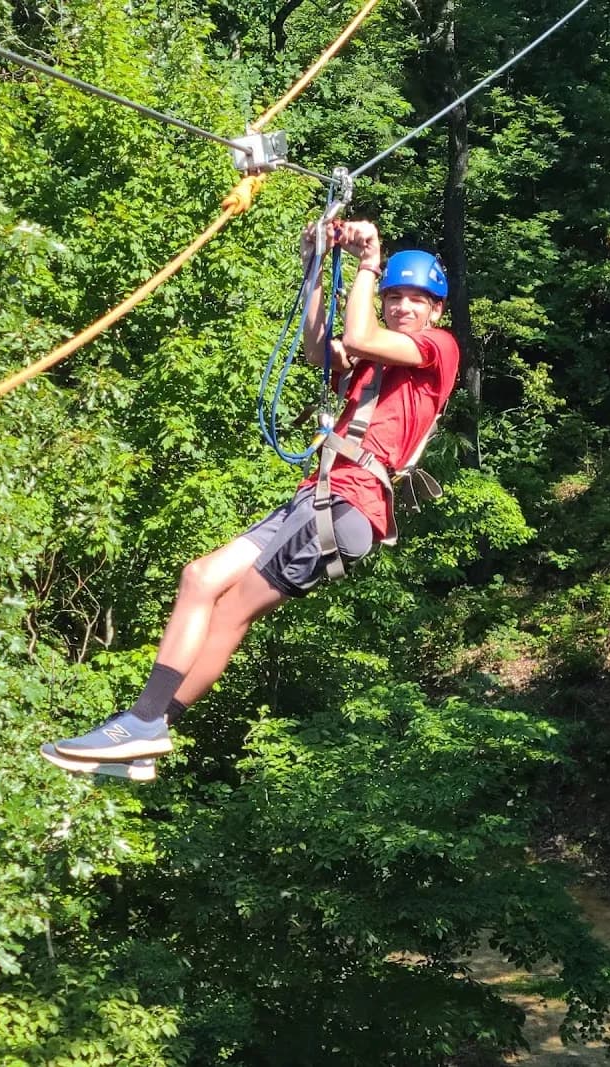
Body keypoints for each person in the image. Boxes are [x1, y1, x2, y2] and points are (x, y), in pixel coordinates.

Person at [41, 220, 460, 780]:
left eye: (417, 299)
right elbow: (319, 349)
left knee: (232, 610)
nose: (405, 307)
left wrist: (366, 263)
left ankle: (146, 724)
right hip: (317, 497)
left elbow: (358, 336)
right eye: (394, 297)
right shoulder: (371, 364)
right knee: (199, 578)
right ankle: (143, 735)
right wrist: (317, 268)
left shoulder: (438, 349)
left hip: (351, 508)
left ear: (435, 311)